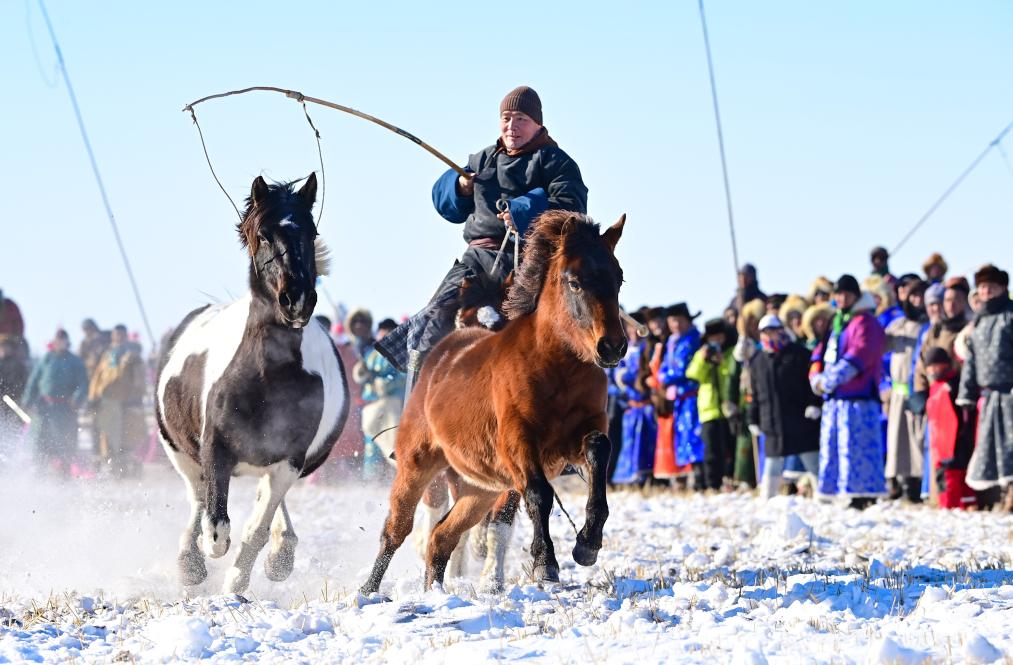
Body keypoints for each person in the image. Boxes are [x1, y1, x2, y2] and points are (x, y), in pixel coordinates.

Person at [377, 86, 588, 385]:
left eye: (521, 119)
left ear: (537, 124)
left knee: (562, 334)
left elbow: (573, 210)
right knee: (430, 323)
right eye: (507, 118)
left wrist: (524, 211)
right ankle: (416, 404)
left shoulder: (556, 162)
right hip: (476, 260)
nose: (512, 126)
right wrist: (459, 187)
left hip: (532, 262)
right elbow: (445, 204)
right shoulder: (481, 160)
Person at [810, 275, 887, 508]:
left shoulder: (865, 322)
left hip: (858, 396)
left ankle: (863, 494)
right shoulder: (837, 322)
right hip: (835, 397)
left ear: (855, 296)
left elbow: (860, 355)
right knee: (837, 447)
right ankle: (841, 490)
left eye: (847, 294)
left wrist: (830, 379)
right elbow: (819, 354)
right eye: (838, 294)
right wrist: (816, 377)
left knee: (858, 448)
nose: (842, 298)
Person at [957, 264, 1013, 510]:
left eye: (991, 287)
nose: (986, 292)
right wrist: (966, 394)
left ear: (1003, 288)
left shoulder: (1010, 315)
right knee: (992, 448)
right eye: (982, 288)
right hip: (989, 395)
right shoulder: (978, 322)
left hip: (1010, 392)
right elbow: (971, 360)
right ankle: (999, 496)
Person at [748, 315, 822, 499]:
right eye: (765, 332)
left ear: (781, 330)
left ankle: (823, 496)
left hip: (799, 417)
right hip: (771, 420)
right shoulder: (758, 360)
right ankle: (768, 497)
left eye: (773, 330)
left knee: (811, 460)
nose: (770, 335)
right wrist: (752, 417)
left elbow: (810, 383)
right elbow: (754, 392)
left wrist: (814, 403)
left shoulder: (799, 354)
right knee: (772, 463)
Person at [883, 278, 927, 501]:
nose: (918, 300)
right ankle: (899, 483)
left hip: (918, 390)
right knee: (897, 442)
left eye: (921, 296)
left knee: (916, 440)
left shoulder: (928, 325)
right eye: (913, 296)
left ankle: (917, 484)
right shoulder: (897, 325)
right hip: (898, 392)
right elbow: (879, 348)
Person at [21, 330, 89, 474]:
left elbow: (83, 384)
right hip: (44, 409)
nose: (60, 343)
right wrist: (27, 401)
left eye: (62, 340)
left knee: (65, 444)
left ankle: (64, 475)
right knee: (41, 443)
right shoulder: (46, 359)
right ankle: (40, 476)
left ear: (67, 342)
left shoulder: (75, 361)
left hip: (65, 409)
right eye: (57, 340)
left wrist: (76, 399)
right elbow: (33, 382)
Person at [924, 347, 978, 509]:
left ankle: (958, 505)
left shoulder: (954, 384)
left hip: (956, 438)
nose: (933, 370)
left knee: (956, 472)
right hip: (940, 441)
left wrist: (962, 432)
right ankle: (948, 503)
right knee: (946, 473)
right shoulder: (936, 385)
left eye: (936, 366)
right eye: (930, 367)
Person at [686, 318, 737, 490]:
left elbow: (731, 374)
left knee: (730, 447)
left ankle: (730, 479)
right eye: (712, 338)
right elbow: (693, 374)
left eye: (719, 337)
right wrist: (704, 358)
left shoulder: (731, 353)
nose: (716, 341)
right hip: (709, 409)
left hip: (728, 408)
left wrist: (721, 360)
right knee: (711, 451)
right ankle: (711, 484)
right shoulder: (702, 354)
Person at [88, 325, 146, 476]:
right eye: (115, 335)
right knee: (106, 433)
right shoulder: (108, 354)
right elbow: (98, 376)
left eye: (120, 335)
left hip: (124, 400)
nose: (117, 337)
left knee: (125, 436)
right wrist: (92, 396)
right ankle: (109, 463)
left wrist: (136, 396)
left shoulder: (131, 355)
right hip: (106, 399)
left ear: (125, 336)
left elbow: (139, 379)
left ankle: (123, 467)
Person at [659, 303, 705, 487]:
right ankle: (690, 476)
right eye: (672, 321)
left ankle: (701, 478)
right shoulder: (671, 342)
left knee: (695, 436)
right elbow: (663, 368)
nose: (676, 325)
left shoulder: (694, 339)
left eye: (679, 321)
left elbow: (683, 369)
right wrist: (664, 376)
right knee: (683, 437)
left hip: (692, 397)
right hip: (678, 398)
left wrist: (666, 377)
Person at [354, 318, 405, 482]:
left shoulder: (401, 353)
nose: (384, 334)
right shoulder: (372, 353)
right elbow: (363, 376)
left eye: (388, 331)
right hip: (371, 405)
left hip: (391, 405)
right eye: (382, 331)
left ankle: (400, 477)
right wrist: (362, 373)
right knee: (372, 446)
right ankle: (371, 481)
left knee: (391, 441)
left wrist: (380, 382)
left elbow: (402, 377)